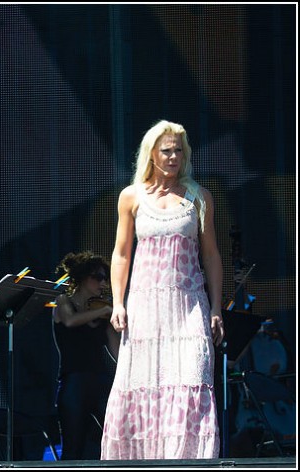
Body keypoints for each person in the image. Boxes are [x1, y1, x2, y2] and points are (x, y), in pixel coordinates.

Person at [101, 120, 225, 460]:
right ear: (152, 154)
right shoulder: (132, 197)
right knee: (144, 384)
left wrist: (215, 307)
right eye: (166, 150)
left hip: (188, 306)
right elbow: (121, 253)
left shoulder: (199, 197)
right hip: (145, 307)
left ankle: (188, 463)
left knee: (192, 379)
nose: (173, 157)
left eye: (178, 151)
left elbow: (211, 254)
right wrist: (117, 302)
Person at [52, 251, 118, 460]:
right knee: (73, 447)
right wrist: (105, 310)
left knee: (115, 437)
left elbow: (117, 353)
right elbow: (71, 321)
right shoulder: (63, 301)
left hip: (101, 382)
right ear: (81, 278)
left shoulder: (102, 312)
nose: (103, 284)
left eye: (105, 278)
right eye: (97, 277)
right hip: (74, 383)